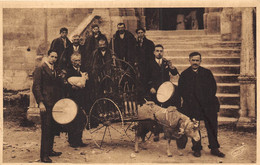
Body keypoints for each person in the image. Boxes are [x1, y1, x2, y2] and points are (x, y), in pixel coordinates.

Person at [178, 52, 225, 158]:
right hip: (193, 105)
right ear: (189, 60)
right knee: (195, 127)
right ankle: (197, 148)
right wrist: (190, 102)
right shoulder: (185, 74)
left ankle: (214, 148)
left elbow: (213, 88)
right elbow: (181, 90)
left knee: (212, 126)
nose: (195, 62)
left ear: (200, 61)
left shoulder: (207, 73)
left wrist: (206, 100)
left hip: (208, 104)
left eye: (197, 60)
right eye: (193, 60)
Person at [32, 51, 62, 163]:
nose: (54, 59)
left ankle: (50, 150)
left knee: (52, 127)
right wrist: (40, 102)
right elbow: (36, 87)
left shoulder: (54, 69)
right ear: (47, 56)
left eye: (56, 57)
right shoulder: (40, 68)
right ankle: (43, 156)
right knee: (46, 129)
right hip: (45, 103)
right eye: (52, 56)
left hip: (53, 102)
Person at [63, 53, 89, 148]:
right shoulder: (69, 71)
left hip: (81, 97)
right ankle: (72, 140)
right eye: (76, 60)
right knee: (73, 119)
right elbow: (65, 85)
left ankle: (79, 139)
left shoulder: (82, 71)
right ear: (72, 61)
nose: (78, 62)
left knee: (81, 119)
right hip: (72, 98)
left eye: (79, 60)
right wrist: (72, 87)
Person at [135, 27, 155, 102]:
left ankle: (148, 97)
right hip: (139, 66)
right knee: (140, 81)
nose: (140, 34)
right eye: (138, 33)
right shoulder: (135, 43)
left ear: (144, 33)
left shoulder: (149, 43)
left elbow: (152, 55)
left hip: (147, 65)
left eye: (141, 32)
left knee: (147, 80)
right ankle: (141, 99)